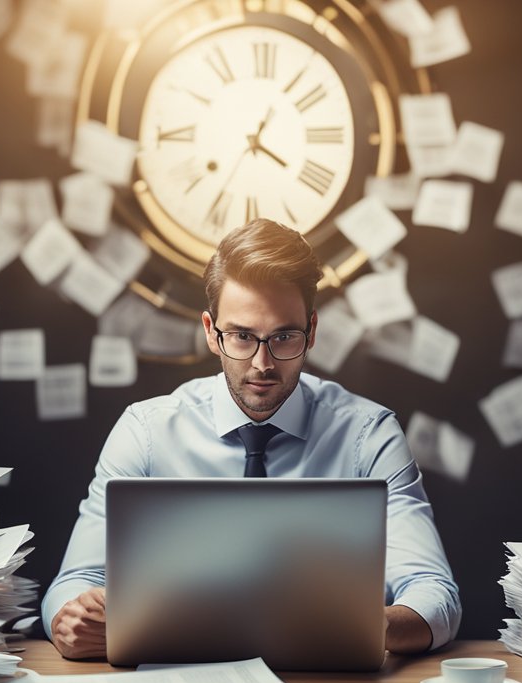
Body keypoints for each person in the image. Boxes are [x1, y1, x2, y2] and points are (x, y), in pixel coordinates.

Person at [42, 218, 460, 659]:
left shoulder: (368, 435)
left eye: (283, 336)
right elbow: (73, 581)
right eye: (242, 336)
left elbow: (436, 594)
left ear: (312, 332)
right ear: (211, 331)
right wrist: (69, 619)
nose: (262, 363)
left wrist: (367, 625)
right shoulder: (145, 431)